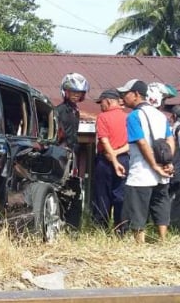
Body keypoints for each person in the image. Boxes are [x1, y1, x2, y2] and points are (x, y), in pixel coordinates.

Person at [118, 79, 174, 243]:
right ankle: (163, 239)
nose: (122, 98)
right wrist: (167, 161)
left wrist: (154, 166)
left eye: (125, 94)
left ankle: (139, 243)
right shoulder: (160, 115)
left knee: (137, 208)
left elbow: (141, 142)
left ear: (136, 94)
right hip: (163, 172)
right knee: (160, 204)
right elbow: (170, 139)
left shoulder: (134, 116)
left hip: (141, 171)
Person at [91, 89, 129, 231]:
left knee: (102, 195)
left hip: (106, 160)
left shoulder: (103, 117)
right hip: (124, 159)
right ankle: (121, 229)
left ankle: (100, 228)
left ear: (108, 101)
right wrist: (118, 155)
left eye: (102, 103)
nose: (101, 106)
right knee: (121, 196)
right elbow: (131, 143)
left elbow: (104, 141)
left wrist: (113, 159)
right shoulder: (128, 117)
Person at [56, 73, 89, 155]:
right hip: (60, 153)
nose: (76, 95)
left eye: (79, 92)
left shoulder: (75, 111)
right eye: (73, 91)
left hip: (72, 153)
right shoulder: (59, 110)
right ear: (66, 91)